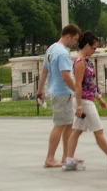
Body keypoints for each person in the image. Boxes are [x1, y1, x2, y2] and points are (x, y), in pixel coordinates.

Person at [63, 31, 107, 171]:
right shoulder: (80, 62)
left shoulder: (86, 61)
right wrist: (80, 106)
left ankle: (69, 160)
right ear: (87, 45)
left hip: (87, 99)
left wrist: (99, 98)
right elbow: (78, 85)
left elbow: (90, 83)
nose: (94, 50)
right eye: (93, 48)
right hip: (84, 102)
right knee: (98, 130)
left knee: (77, 130)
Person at [36, 24, 81, 168]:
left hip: (57, 92)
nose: (74, 43)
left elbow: (44, 72)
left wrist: (39, 90)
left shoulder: (51, 49)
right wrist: (78, 90)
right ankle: (50, 159)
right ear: (68, 36)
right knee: (60, 125)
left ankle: (67, 156)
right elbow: (66, 76)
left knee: (68, 124)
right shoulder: (62, 53)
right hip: (62, 93)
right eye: (74, 40)